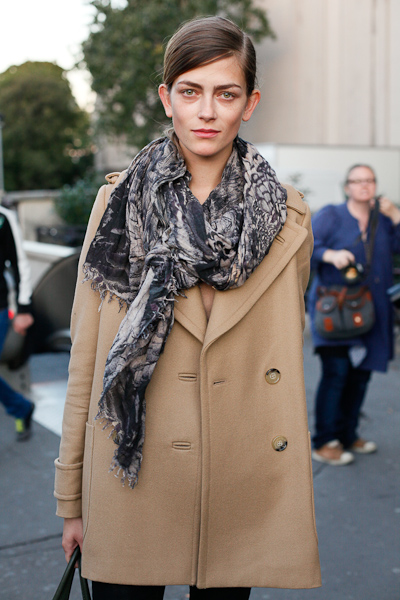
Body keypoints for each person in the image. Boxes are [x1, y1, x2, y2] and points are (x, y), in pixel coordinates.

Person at [55, 16, 321, 598]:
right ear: (166, 98)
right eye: (190, 91)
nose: (206, 112)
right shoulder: (118, 205)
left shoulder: (288, 217)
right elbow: (86, 360)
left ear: (249, 104)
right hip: (131, 478)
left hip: (238, 482)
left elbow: (280, 347)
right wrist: (70, 497)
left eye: (225, 94)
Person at [308, 164, 400, 466]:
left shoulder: (382, 219)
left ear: (375, 185)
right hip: (336, 310)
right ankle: (325, 441)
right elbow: (306, 244)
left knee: (361, 376)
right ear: (347, 186)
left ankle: (348, 435)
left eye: (369, 180)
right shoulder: (331, 215)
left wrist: (397, 217)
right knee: (336, 374)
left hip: (372, 311)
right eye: (357, 181)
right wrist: (330, 254)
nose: (364, 185)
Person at [0, 204, 35, 440]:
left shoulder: (3, 217)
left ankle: (21, 408)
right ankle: (21, 407)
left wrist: (24, 308)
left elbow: (19, 263)